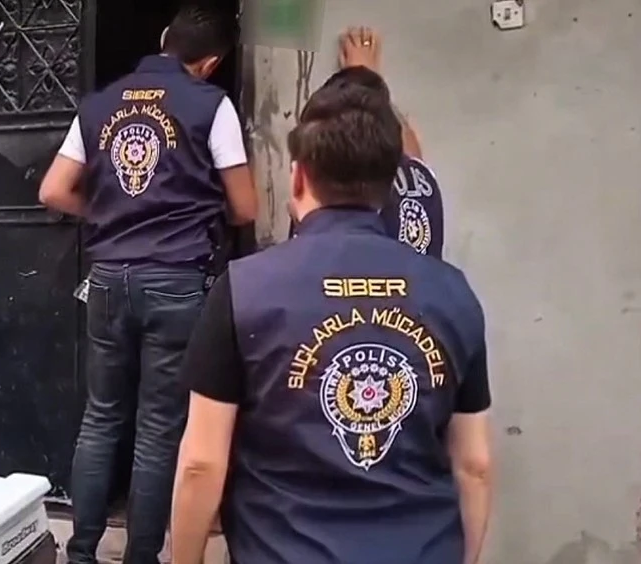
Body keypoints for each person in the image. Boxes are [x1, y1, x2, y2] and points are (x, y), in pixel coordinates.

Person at [169, 62, 493, 563]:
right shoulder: (452, 292)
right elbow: (474, 465)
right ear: (390, 182)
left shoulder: (245, 289)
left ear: (298, 175)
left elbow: (200, 465)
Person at [38, 5, 257, 563]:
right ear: (211, 62)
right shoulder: (211, 105)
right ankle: (141, 557)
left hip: (109, 278)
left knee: (100, 417)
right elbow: (244, 207)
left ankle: (80, 553)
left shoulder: (99, 105)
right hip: (177, 281)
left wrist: (112, 214)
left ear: (163, 39)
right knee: (159, 428)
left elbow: (53, 190)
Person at [289, 27, 445, 258]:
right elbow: (407, 152)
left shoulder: (293, 258)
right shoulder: (419, 190)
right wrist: (366, 88)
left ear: (299, 180)